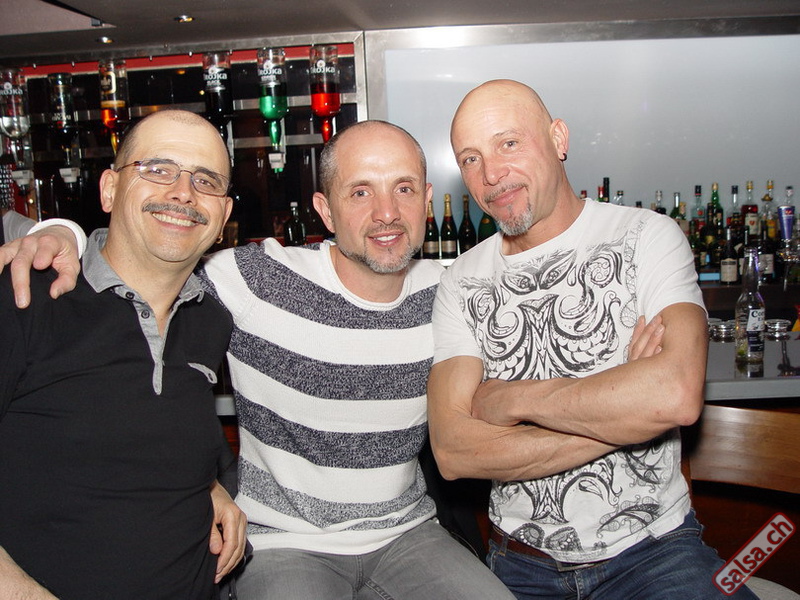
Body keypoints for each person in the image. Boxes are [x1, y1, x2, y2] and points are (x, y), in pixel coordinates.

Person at [3, 118, 662, 600]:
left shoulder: (455, 293)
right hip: (283, 543)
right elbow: (146, 259)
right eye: (360, 192)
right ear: (324, 209)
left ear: (428, 202)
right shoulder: (248, 280)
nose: (386, 213)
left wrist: (628, 368)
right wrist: (51, 231)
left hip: (409, 534)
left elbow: (546, 351)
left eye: (404, 189)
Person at [427, 79, 756, 599]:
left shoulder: (646, 237)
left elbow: (673, 395)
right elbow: (453, 452)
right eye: (471, 159)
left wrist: (510, 399)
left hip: (655, 553)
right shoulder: (460, 282)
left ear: (558, 138)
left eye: (509, 143)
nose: (491, 174)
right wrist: (625, 409)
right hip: (521, 565)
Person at [0, 109, 247, 600]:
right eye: (158, 169)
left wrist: (209, 487)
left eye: (206, 181)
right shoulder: (27, 296)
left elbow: (151, 434)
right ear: (110, 189)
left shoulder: (209, 321)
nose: (183, 192)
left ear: (222, 217)